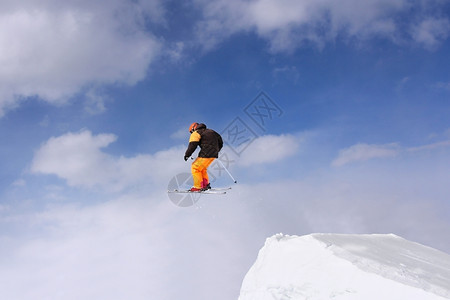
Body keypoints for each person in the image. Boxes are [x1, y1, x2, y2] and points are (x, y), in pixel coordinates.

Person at [184, 122, 223, 192]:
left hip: (206, 153)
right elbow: (220, 141)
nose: (191, 133)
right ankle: (205, 185)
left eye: (191, 132)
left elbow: (193, 145)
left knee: (195, 167)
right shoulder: (212, 131)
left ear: (194, 128)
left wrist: (187, 155)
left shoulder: (196, 133)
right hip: (214, 154)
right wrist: (216, 150)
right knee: (202, 168)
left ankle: (198, 187)